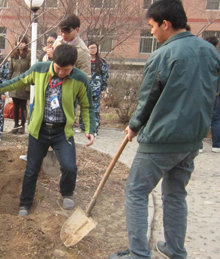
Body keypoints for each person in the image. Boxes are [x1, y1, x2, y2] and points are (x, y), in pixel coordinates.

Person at [108, 1, 220, 258]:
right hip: (192, 141)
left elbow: (147, 99)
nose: (151, 32)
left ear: (165, 24)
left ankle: (138, 253)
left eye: (151, 27)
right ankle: (175, 250)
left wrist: (134, 126)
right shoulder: (210, 52)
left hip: (161, 140)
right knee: (175, 195)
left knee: (135, 192)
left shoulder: (162, 56)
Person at [0, 44, 95, 216]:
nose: (61, 73)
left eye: (66, 70)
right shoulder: (39, 70)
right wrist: (0, 87)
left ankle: (67, 192)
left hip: (62, 132)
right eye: (59, 68)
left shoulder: (80, 79)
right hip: (40, 130)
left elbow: (87, 106)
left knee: (69, 167)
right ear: (53, 61)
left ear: (73, 67)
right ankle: (25, 204)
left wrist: (90, 129)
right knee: (32, 168)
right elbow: (20, 80)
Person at [80, 41, 109, 134]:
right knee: (84, 106)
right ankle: (83, 126)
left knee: (95, 108)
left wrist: (103, 89)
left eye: (94, 48)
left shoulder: (101, 62)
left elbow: (105, 76)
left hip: (96, 88)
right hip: (85, 88)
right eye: (91, 48)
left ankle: (94, 127)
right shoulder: (84, 60)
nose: (92, 50)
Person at [8, 35, 31, 134]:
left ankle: (22, 126)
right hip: (14, 82)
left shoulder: (29, 54)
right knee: (15, 105)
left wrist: (28, 85)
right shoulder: (13, 54)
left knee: (23, 105)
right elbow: (10, 70)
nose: (20, 44)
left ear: (26, 43)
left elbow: (30, 70)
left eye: (22, 42)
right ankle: (15, 125)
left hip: (24, 83)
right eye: (18, 42)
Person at [203, 36, 220, 153]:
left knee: (203, 117)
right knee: (217, 119)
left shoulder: (203, 57)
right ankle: (217, 145)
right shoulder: (218, 56)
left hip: (204, 91)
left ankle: (199, 145)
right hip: (217, 92)